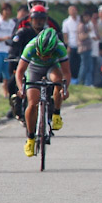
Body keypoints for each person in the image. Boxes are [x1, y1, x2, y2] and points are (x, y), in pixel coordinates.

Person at [15, 28, 71, 157]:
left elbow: (67, 72)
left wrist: (65, 89)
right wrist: (21, 88)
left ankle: (56, 113)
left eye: (47, 55)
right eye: (40, 54)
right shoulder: (31, 46)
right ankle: (30, 138)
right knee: (33, 103)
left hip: (52, 67)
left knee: (58, 80)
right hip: (34, 69)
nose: (43, 57)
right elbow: (20, 72)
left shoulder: (60, 48)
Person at [6, 5, 51, 121]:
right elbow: (14, 49)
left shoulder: (49, 34)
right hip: (25, 65)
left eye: (41, 19)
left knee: (53, 84)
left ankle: (51, 108)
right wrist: (14, 66)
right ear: (30, 19)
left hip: (45, 66)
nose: (39, 22)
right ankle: (16, 104)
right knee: (11, 83)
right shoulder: (23, 33)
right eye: (36, 18)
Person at [61, 5, 82, 83]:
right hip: (72, 44)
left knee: (79, 62)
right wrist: (67, 45)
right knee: (72, 62)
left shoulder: (80, 20)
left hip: (80, 45)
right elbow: (65, 35)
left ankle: (78, 78)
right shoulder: (66, 22)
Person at [76, 11, 95, 86]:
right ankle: (81, 81)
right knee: (84, 66)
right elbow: (81, 37)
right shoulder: (81, 26)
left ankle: (88, 82)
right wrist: (89, 33)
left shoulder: (86, 25)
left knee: (89, 67)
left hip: (88, 48)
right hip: (84, 49)